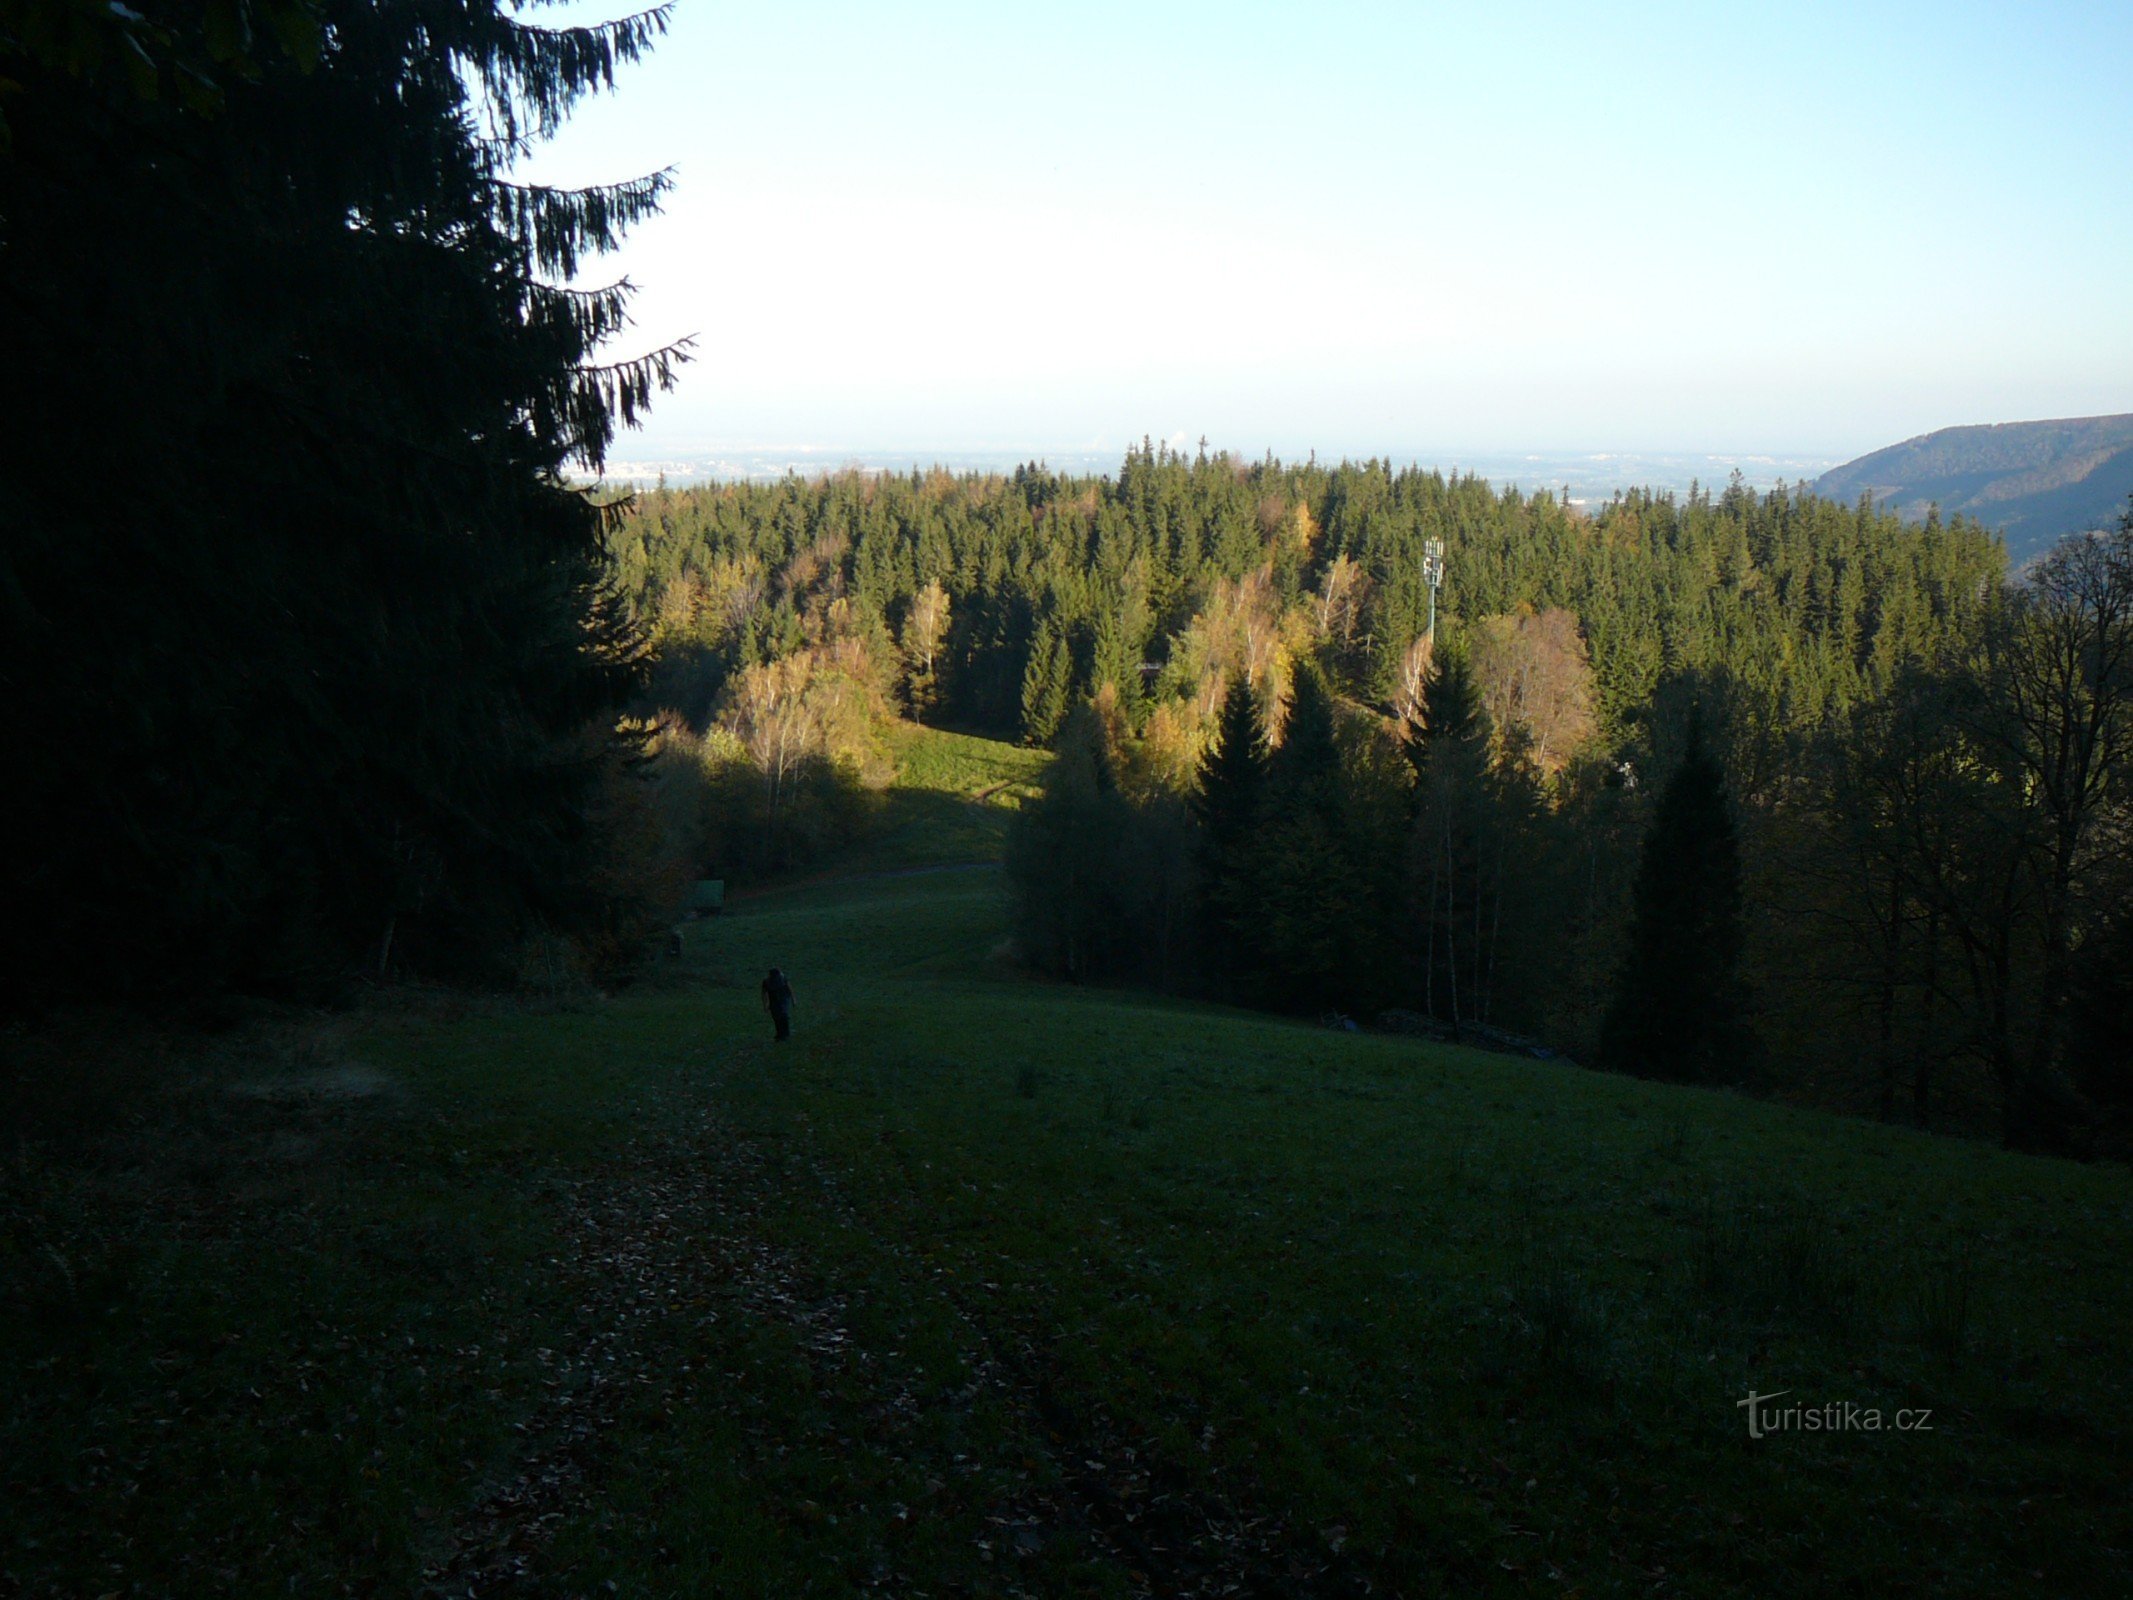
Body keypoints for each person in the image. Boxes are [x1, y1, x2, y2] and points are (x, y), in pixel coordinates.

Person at [760, 966, 794, 1042]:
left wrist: (765, 1005)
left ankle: (783, 1034)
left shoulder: (768, 981)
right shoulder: (781, 978)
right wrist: (793, 999)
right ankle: (782, 1034)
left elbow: (763, 994)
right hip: (779, 1000)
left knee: (781, 1017)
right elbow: (790, 988)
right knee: (780, 1017)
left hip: (781, 1000)